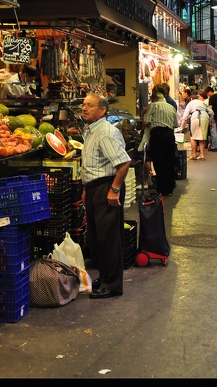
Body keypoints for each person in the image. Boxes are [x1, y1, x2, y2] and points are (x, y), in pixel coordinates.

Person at [80, 93, 131, 299]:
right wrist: (86, 188)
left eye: (89, 105)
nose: (84, 108)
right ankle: (105, 276)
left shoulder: (106, 132)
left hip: (107, 187)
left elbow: (124, 162)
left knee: (108, 239)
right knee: (96, 238)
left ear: (102, 110)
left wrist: (115, 189)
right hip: (94, 188)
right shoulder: (90, 130)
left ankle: (113, 285)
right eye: (83, 104)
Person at [143, 84, 179, 196]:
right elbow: (175, 124)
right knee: (169, 160)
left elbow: (146, 122)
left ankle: (161, 188)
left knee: (159, 161)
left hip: (158, 134)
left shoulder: (153, 106)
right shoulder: (171, 107)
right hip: (169, 135)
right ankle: (169, 188)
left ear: (154, 99)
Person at [180, 90, 214, 161]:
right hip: (205, 117)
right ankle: (202, 155)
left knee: (193, 137)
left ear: (191, 99)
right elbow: (211, 113)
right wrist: (210, 122)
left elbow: (185, 116)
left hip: (195, 116)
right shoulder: (202, 102)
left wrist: (181, 126)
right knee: (202, 137)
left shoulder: (190, 103)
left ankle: (193, 155)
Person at [204, 85, 217, 150]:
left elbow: (210, 108)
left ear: (210, 91)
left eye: (207, 93)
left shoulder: (211, 98)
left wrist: (208, 115)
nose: (208, 95)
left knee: (213, 131)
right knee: (214, 130)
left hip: (212, 117)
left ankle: (214, 146)